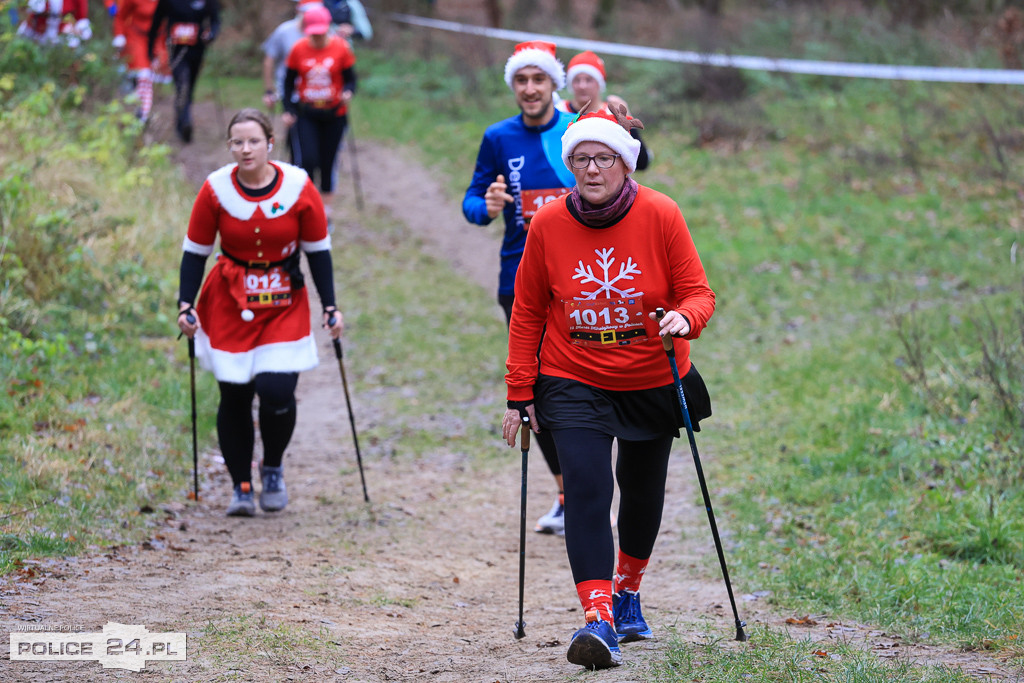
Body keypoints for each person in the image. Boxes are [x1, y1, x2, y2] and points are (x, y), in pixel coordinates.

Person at [501, 106, 715, 670]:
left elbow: (699, 292)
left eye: (604, 158)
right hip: (573, 376)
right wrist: (520, 394)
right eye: (581, 159)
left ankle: (627, 592)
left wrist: (683, 320)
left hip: (650, 374)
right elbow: (527, 312)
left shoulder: (661, 213)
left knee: (641, 493)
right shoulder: (547, 223)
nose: (592, 169)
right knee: (589, 491)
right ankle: (597, 618)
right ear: (569, 164)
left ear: (625, 161)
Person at [176, 108, 344, 517]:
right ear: (230, 145)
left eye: (254, 141)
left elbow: (317, 251)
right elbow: (195, 252)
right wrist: (185, 303)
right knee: (234, 392)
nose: (245, 149)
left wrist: (330, 305)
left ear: (270, 142)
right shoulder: (215, 188)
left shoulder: (298, 187)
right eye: (237, 141)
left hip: (283, 301)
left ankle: (272, 467)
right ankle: (241, 486)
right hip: (229, 302)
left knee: (276, 390)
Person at [462, 41, 577, 536]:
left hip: (579, 285)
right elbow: (470, 203)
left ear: (554, 84)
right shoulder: (497, 137)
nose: (530, 89)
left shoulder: (575, 132)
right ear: (513, 86)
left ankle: (590, 484)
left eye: (539, 80)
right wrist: (485, 207)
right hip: (519, 282)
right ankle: (568, 493)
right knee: (540, 389)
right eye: (521, 81)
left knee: (588, 384)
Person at [281, 4, 356, 229]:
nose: (317, 37)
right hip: (307, 114)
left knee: (327, 162)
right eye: (313, 33)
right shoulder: (298, 49)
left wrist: (348, 92)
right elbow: (288, 83)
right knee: (307, 160)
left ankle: (326, 215)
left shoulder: (341, 48)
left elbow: (351, 78)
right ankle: (306, 208)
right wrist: (289, 109)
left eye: (321, 32)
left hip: (334, 114)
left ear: (327, 28)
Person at [556, 51, 651, 171]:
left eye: (589, 80)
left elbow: (642, 163)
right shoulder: (559, 111)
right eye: (576, 80)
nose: (582, 86)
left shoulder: (613, 114)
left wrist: (627, 121)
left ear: (599, 83)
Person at [148, 0, 220, 143]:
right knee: (182, 83)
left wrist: (211, 34)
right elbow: (156, 22)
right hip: (176, 51)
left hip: (197, 50)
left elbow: (215, 20)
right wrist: (150, 50)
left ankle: (181, 120)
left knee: (189, 87)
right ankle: (185, 122)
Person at [112, 0, 167, 122]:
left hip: (157, 39)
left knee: (149, 78)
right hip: (136, 38)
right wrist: (119, 35)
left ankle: (142, 114)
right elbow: (121, 16)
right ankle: (140, 113)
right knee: (143, 76)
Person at [17, 0, 92, 47]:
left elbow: (81, 19)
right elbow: (23, 10)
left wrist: (77, 30)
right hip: (34, 34)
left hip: (60, 37)